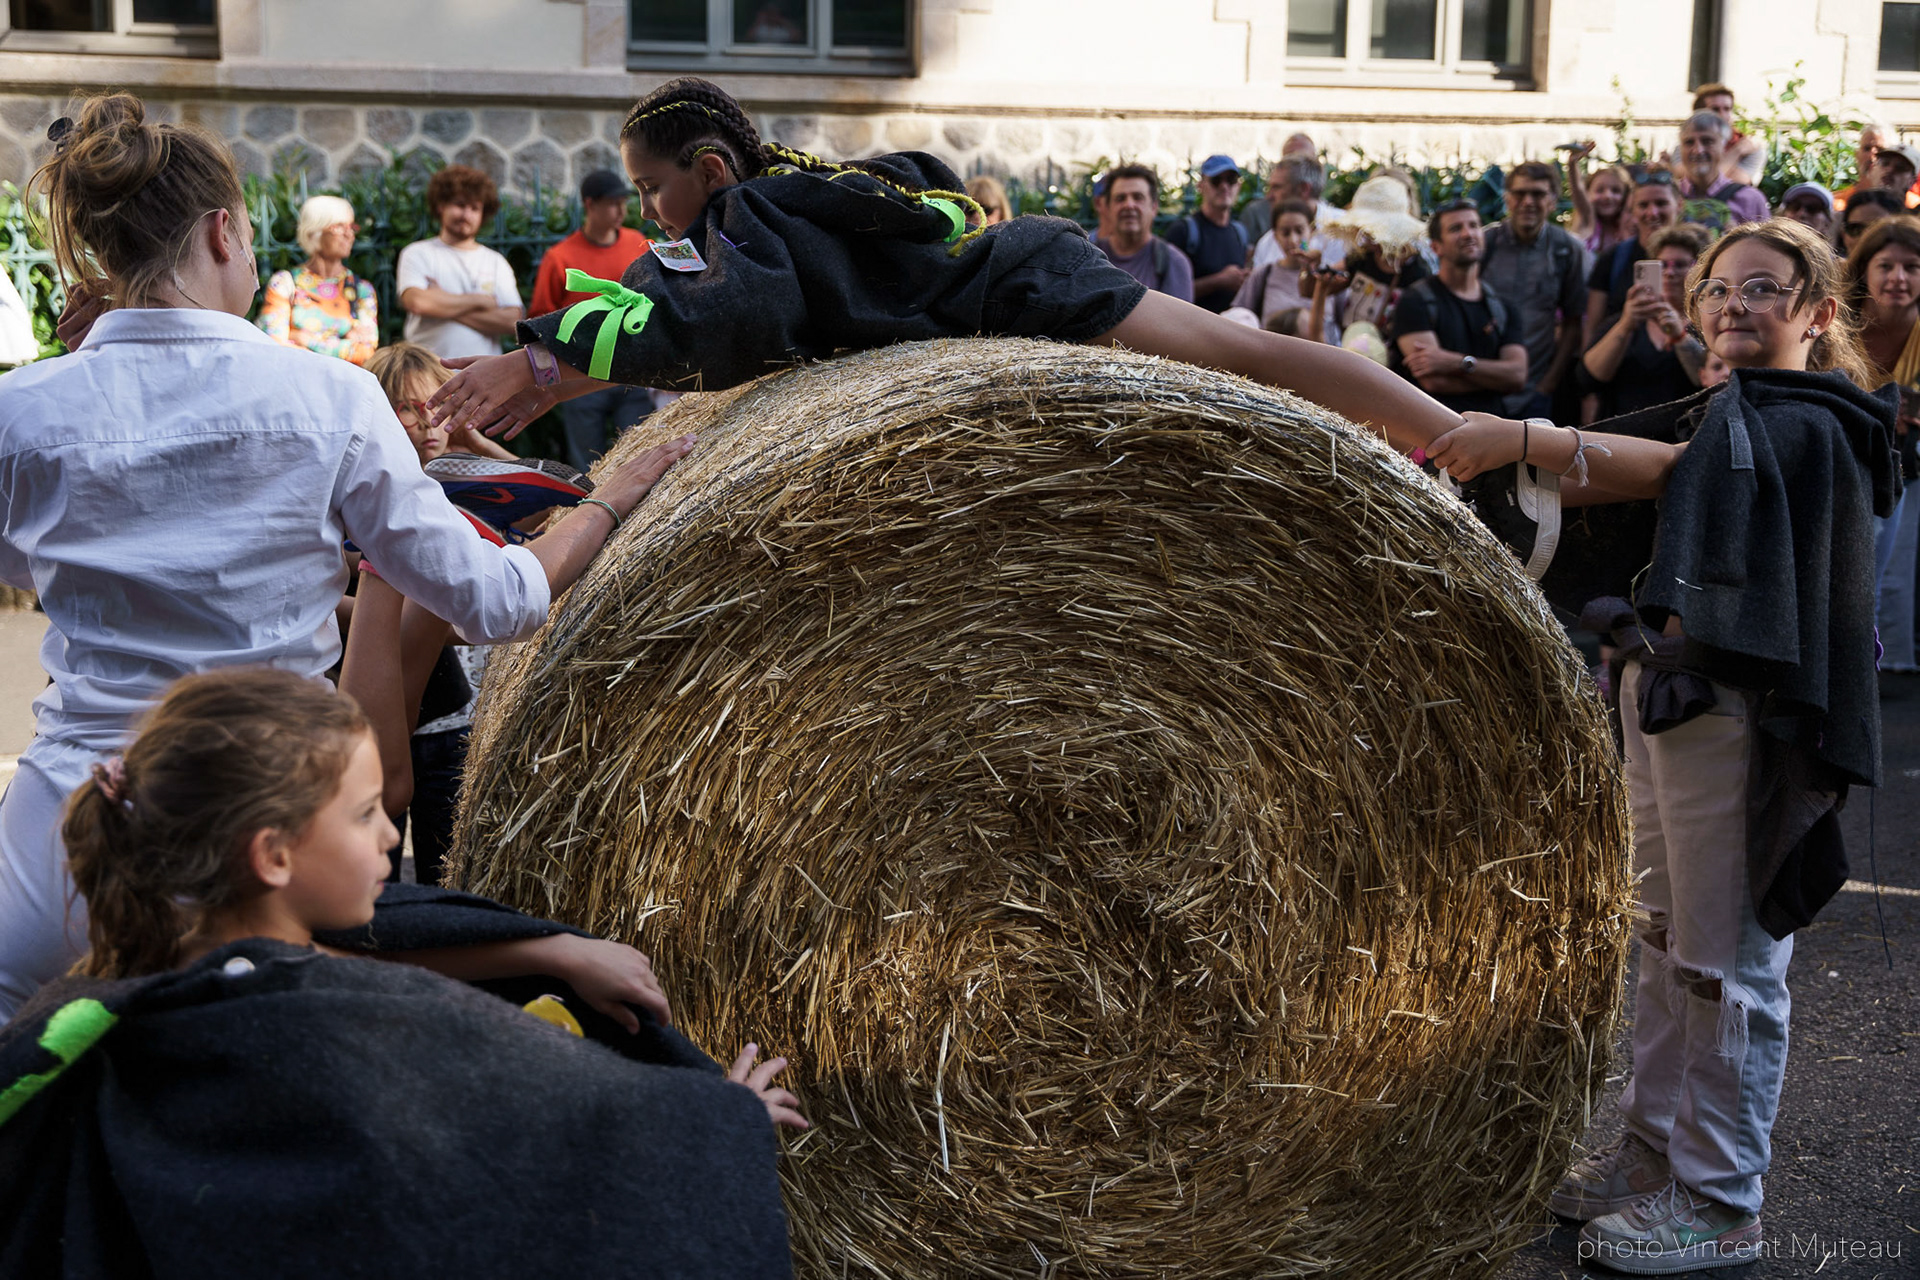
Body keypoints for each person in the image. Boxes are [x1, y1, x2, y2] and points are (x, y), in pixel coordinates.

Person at [0, 93, 695, 1020]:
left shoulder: (27, 411)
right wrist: (607, 503)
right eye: (251, 238)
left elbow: (22, 566)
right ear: (219, 234)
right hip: (254, 844)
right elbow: (496, 600)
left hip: (58, 853)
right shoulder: (329, 398)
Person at [1435, 217, 1897, 1277]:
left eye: (1765, 289)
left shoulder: (1820, 421)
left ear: (1820, 313)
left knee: (1728, 964)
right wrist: (1472, 451)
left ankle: (1725, 1197)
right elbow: (1627, 474)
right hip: (1666, 695)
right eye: (1720, 288)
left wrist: (1527, 436)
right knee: (1660, 941)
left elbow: (1682, 472)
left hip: (1739, 713)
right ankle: (1654, 1161)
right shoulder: (1726, 406)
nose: (1735, 304)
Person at [0, 665, 801, 1272]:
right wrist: (723, 1130)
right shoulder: (365, 1027)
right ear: (273, 855)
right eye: (363, 814)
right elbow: (572, 1133)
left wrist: (547, 953)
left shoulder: (96, 1009)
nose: (392, 836)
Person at [425, 77, 1472, 464]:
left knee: (1244, 352)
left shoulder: (753, 214)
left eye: (653, 189)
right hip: (1021, 282)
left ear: (705, 170)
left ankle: (1449, 434)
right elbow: (691, 307)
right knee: (1246, 358)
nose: (651, 214)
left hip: (1029, 287)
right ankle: (1433, 434)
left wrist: (546, 365)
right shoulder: (779, 202)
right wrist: (557, 358)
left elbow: (718, 316)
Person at [529, 169, 655, 471]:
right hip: (578, 374)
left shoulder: (637, 242)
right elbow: (539, 318)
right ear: (590, 205)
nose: (622, 211)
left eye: (624, 201)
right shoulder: (559, 257)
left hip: (632, 372)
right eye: (613, 203)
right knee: (586, 464)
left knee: (640, 453)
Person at [1845, 216, 1920, 672]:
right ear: (1864, 272)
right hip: (1846, 463)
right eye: (1886, 266)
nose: (1898, 278)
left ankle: (1883, 663)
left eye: (1912, 267)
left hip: (1906, 469)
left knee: (1892, 572)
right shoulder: (1841, 326)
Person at [1389, 200, 1526, 416]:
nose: (1467, 234)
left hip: (1494, 432)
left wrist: (1458, 363)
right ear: (1436, 247)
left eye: (1473, 226)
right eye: (1455, 228)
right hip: (1434, 430)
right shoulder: (1416, 300)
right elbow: (1434, 381)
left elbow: (1517, 376)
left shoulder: (1503, 307)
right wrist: (1496, 379)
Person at [1480, 161, 1589, 418]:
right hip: (1484, 383)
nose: (1528, 201)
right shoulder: (1486, 243)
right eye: (1520, 193)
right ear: (1507, 198)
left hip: (1536, 390)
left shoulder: (1566, 249)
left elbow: (1574, 322)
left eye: (1538, 194)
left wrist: (1548, 383)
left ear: (1552, 200)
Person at [1577, 223, 1710, 419]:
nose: (1670, 273)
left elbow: (1710, 381)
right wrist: (1626, 324)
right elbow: (1588, 379)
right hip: (1623, 437)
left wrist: (1679, 336)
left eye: (1680, 265)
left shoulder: (1709, 324)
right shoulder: (1624, 320)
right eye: (1662, 265)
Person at [397, 164, 525, 361]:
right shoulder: (418, 253)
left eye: (475, 208)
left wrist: (440, 304)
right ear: (441, 206)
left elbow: (512, 321)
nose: (467, 215)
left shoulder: (495, 262)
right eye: (460, 205)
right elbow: (417, 302)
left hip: (483, 376)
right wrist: (481, 301)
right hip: (428, 373)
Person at [256, 194, 378, 366]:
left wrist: (301, 338)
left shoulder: (362, 289)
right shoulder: (285, 283)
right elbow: (274, 346)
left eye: (351, 227)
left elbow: (365, 352)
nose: (349, 234)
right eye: (339, 227)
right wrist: (343, 342)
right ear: (315, 231)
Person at [1313, 175, 1434, 342]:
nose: (1369, 237)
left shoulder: (1419, 270)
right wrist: (1316, 274)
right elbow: (1311, 289)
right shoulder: (1362, 258)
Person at [1585, 172, 1681, 346]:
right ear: (1632, 210)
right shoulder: (1612, 259)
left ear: (1679, 205)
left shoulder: (1698, 256)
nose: (1652, 213)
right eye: (1643, 205)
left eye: (1661, 203)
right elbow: (1592, 329)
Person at [1091, 163, 1194, 302]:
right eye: (1120, 198)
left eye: (1138, 197)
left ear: (1154, 207)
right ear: (1107, 208)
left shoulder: (1174, 262)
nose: (1129, 205)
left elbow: (1179, 322)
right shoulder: (1089, 259)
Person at [1164, 154, 1250, 313]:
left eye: (1230, 180)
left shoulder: (1240, 233)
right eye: (1216, 180)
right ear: (1201, 185)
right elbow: (1166, 294)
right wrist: (1219, 281)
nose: (1224, 187)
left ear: (1238, 186)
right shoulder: (1183, 231)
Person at [1228, 199, 1322, 336]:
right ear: (1275, 236)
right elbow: (1238, 320)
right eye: (1285, 233)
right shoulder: (1263, 274)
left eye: (1299, 230)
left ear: (1312, 231)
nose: (1293, 240)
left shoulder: (1326, 276)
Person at [1672, 111, 1768, 233]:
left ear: (1723, 147)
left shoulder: (1750, 199)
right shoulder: (1666, 198)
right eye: (1689, 142)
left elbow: (1766, 250)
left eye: (1707, 141)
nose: (1698, 150)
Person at [1247, 153, 1345, 271]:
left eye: (1277, 187)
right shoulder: (1267, 243)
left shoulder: (1346, 230)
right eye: (1286, 232)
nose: (1269, 196)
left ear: (1304, 189)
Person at [1690, 82, 1765, 186]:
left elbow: (1733, 186)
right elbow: (1701, 183)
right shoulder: (1685, 146)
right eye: (1715, 109)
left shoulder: (1750, 148)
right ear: (1699, 114)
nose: (1722, 115)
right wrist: (1736, 151)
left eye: (1727, 109)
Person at [1834, 122, 1920, 212]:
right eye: (1885, 163)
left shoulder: (1915, 206)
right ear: (1856, 155)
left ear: (1912, 180)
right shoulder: (1835, 204)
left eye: (1900, 168)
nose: (1872, 156)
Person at [1566, 145, 1632, 258]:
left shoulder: (1628, 227)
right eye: (1599, 190)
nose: (1607, 196)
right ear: (1587, 194)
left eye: (1616, 191)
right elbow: (1578, 189)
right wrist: (1572, 164)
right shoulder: (1586, 221)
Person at [1838, 186, 1905, 258]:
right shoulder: (1831, 268)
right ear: (1844, 234)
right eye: (1855, 229)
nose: (1865, 237)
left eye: (1877, 229)